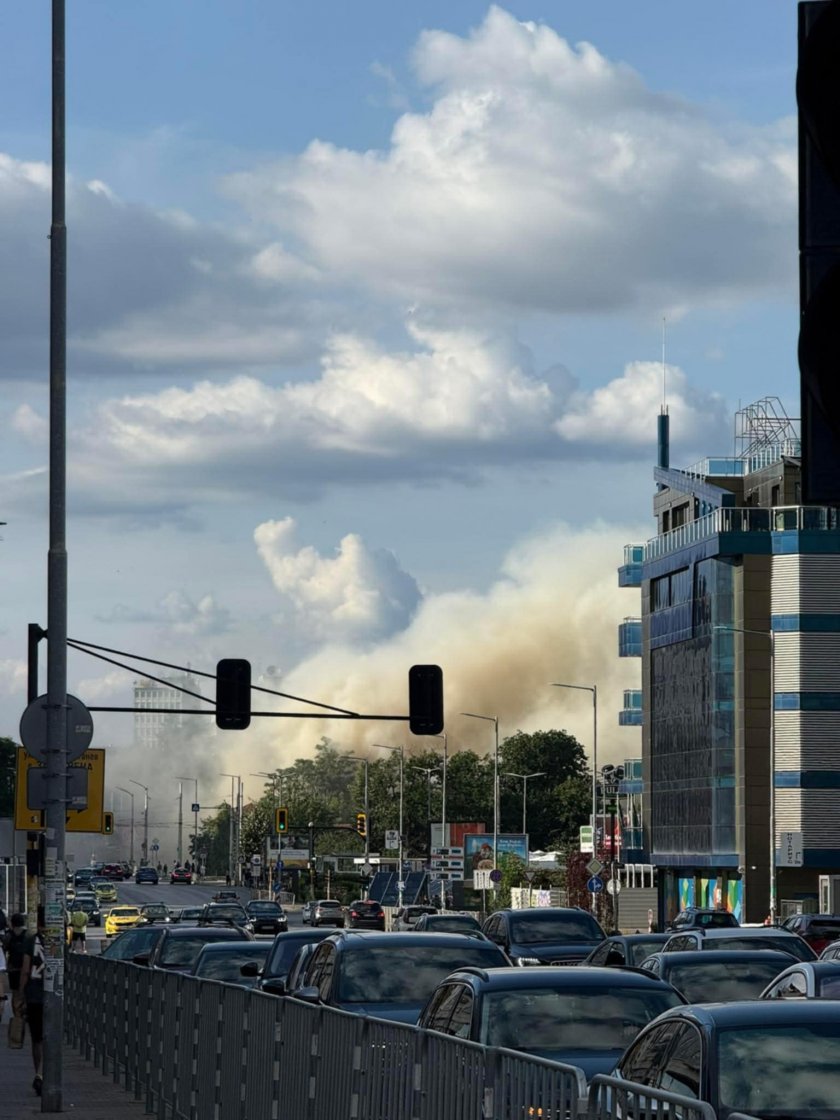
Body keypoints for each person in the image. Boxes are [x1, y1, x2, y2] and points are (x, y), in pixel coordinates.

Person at [19, 906, 46, 1096]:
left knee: (36, 1039)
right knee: (50, 1036)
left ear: (38, 922)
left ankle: (39, 1072)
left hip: (34, 996)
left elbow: (26, 970)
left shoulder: (30, 941)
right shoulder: (60, 941)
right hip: (54, 997)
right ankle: (46, 1072)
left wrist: (20, 994)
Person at [3, 912, 28, 1022]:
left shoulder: (9, 935)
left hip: (13, 969)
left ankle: (17, 1017)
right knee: (25, 992)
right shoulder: (28, 935)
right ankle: (24, 1013)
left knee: (15, 993)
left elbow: (3, 949)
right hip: (26, 968)